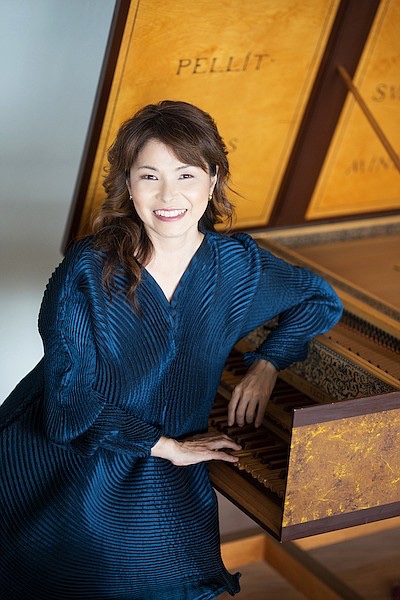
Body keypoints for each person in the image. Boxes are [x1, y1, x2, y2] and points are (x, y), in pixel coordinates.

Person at [0, 100, 342, 599]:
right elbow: (67, 408)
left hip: (170, 461)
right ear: (128, 184)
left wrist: (267, 364)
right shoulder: (89, 269)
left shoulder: (238, 266)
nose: (168, 196)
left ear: (213, 179)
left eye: (186, 175)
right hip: (77, 460)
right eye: (149, 176)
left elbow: (319, 299)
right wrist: (170, 447)